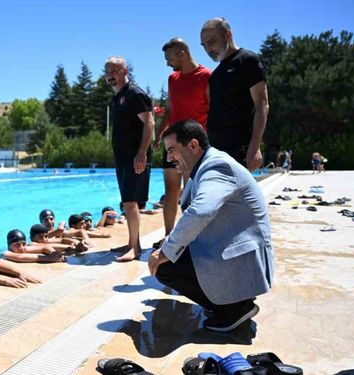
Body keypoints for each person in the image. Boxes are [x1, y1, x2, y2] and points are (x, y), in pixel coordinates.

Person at [148, 120, 274, 332]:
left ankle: (235, 308)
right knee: (161, 248)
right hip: (230, 248)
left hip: (242, 259)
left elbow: (201, 211)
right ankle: (226, 301)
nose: (168, 158)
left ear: (193, 146)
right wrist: (167, 243)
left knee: (164, 264)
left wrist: (167, 251)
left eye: (172, 150)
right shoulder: (205, 166)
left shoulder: (217, 167)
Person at [155, 38, 211, 247]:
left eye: (169, 58)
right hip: (172, 142)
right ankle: (169, 237)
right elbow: (169, 109)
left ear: (182, 53)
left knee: (191, 192)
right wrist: (160, 134)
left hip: (194, 146)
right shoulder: (172, 79)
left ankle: (191, 238)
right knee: (171, 191)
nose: (168, 63)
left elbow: (213, 111)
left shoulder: (206, 76)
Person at [200, 17, 269, 172]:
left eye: (212, 42)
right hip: (216, 149)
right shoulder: (215, 74)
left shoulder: (248, 60)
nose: (208, 49)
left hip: (240, 148)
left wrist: (255, 146)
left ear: (228, 35)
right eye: (204, 45)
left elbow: (262, 105)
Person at [105, 56, 155, 262]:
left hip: (135, 156)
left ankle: (135, 248)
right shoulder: (119, 96)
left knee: (130, 201)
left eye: (115, 71)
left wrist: (142, 152)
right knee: (127, 202)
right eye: (108, 72)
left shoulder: (134, 93)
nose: (110, 76)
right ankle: (132, 243)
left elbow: (149, 122)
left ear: (125, 71)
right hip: (124, 157)